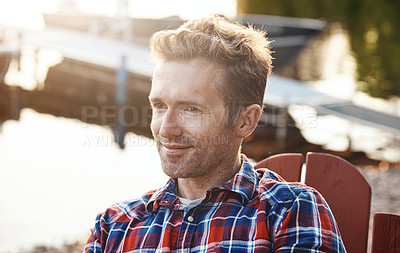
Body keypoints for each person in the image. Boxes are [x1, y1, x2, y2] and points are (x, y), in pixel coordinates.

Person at [84, 15, 346, 252]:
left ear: (245, 121)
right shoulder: (114, 227)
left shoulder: (288, 212)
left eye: (191, 109)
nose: (166, 129)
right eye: (160, 106)